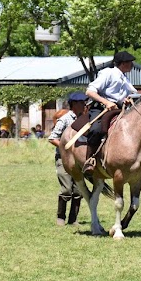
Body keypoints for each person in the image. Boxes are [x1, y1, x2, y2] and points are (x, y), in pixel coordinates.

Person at [78, 50, 140, 174]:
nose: (132, 65)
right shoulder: (108, 73)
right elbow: (89, 92)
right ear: (122, 63)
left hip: (120, 109)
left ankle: (138, 163)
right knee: (96, 129)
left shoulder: (125, 78)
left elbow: (125, 96)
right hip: (102, 108)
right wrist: (106, 102)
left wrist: (126, 100)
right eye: (130, 62)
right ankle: (90, 160)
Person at [48, 93, 88, 226]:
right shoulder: (65, 119)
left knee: (78, 191)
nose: (84, 105)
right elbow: (52, 137)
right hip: (63, 159)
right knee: (66, 189)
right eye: (82, 103)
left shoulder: (85, 120)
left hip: (79, 160)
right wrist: (66, 148)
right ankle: (60, 217)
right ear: (74, 104)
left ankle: (73, 219)